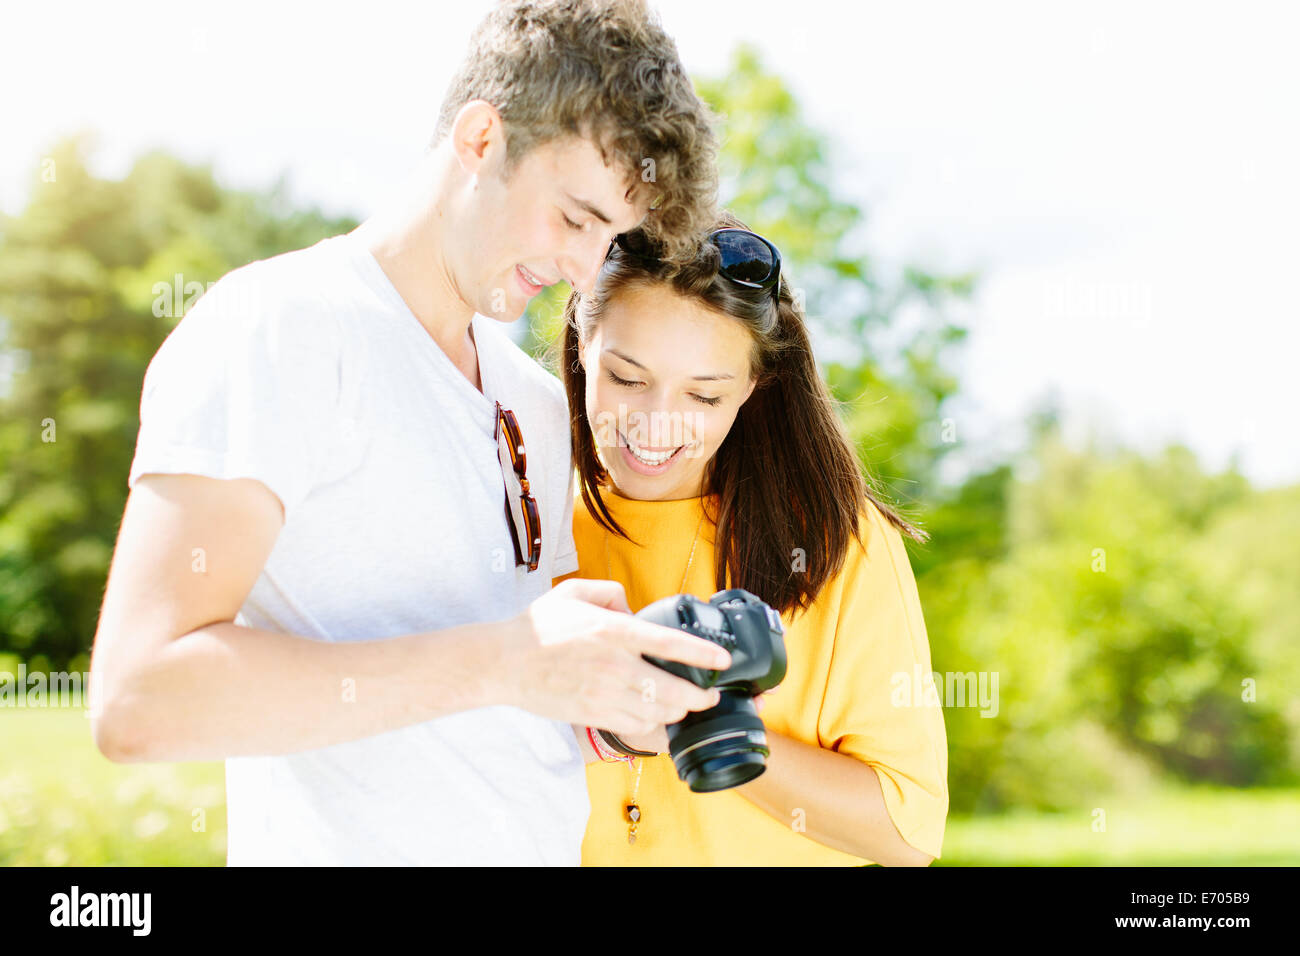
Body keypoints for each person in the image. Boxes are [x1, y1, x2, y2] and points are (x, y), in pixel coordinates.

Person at [88, 0, 731, 866]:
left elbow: (508, 710)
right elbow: (139, 700)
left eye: (612, 238)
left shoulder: (536, 404)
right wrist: (506, 660)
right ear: (479, 139)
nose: (587, 270)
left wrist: (627, 702)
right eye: (577, 218)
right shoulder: (279, 328)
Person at [551, 213, 950, 865]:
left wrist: (707, 722)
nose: (657, 424)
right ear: (580, 345)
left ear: (752, 390)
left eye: (704, 397)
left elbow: (906, 833)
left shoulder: (837, 543)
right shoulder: (522, 528)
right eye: (626, 378)